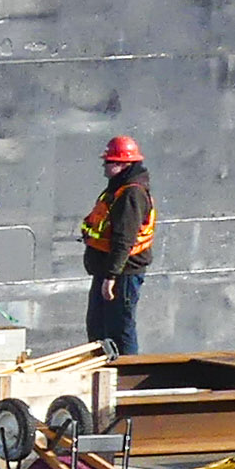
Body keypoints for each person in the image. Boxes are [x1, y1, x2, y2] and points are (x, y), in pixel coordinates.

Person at [81, 136, 155, 357]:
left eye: (109, 162)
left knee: (120, 328)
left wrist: (111, 277)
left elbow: (124, 239)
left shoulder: (131, 193)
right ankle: (102, 370)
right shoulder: (118, 189)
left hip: (122, 273)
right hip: (108, 271)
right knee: (99, 328)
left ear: (123, 163)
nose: (105, 166)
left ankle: (125, 374)